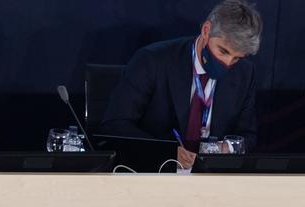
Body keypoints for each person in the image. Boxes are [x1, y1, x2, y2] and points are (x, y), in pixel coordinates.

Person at [100, 0, 263, 169]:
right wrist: (167, 152)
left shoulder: (245, 73)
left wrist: (228, 148)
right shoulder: (153, 60)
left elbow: (248, 136)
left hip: (209, 176)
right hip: (154, 171)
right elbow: (115, 125)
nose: (227, 63)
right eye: (223, 51)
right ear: (206, 30)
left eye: (237, 58)